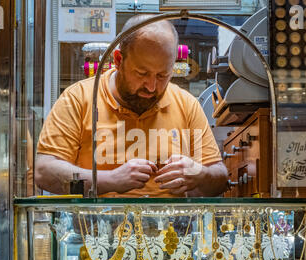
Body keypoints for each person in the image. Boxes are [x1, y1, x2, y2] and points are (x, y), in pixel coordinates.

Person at [36, 14, 228, 197]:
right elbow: (44, 172)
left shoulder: (186, 104)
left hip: (171, 230)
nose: (152, 86)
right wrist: (109, 180)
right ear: (119, 60)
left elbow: (219, 178)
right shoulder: (79, 99)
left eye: (162, 75)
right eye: (142, 73)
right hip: (97, 230)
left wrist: (199, 174)